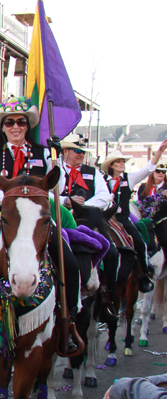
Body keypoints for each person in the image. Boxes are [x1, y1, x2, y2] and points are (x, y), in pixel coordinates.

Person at [0, 96, 80, 355]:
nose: (16, 126)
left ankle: (70, 317)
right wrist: (21, 198)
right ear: (3, 127)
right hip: (3, 219)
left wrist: (58, 160)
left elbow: (61, 186)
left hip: (37, 221)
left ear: (27, 126)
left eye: (21, 121)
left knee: (70, 261)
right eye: (10, 122)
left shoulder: (45, 153)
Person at [57, 134, 118, 321]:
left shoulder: (93, 172)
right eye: (78, 151)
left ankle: (107, 297)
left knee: (113, 252)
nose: (82, 154)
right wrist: (67, 201)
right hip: (61, 217)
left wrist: (82, 207)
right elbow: (46, 195)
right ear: (65, 151)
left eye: (83, 151)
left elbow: (104, 196)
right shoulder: (54, 168)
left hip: (89, 219)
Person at [102, 140, 167, 294]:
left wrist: (159, 152)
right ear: (111, 165)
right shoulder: (102, 180)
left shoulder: (129, 179)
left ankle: (144, 275)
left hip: (122, 219)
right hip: (105, 219)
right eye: (118, 162)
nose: (121, 164)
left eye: (122, 161)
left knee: (140, 241)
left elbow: (148, 168)